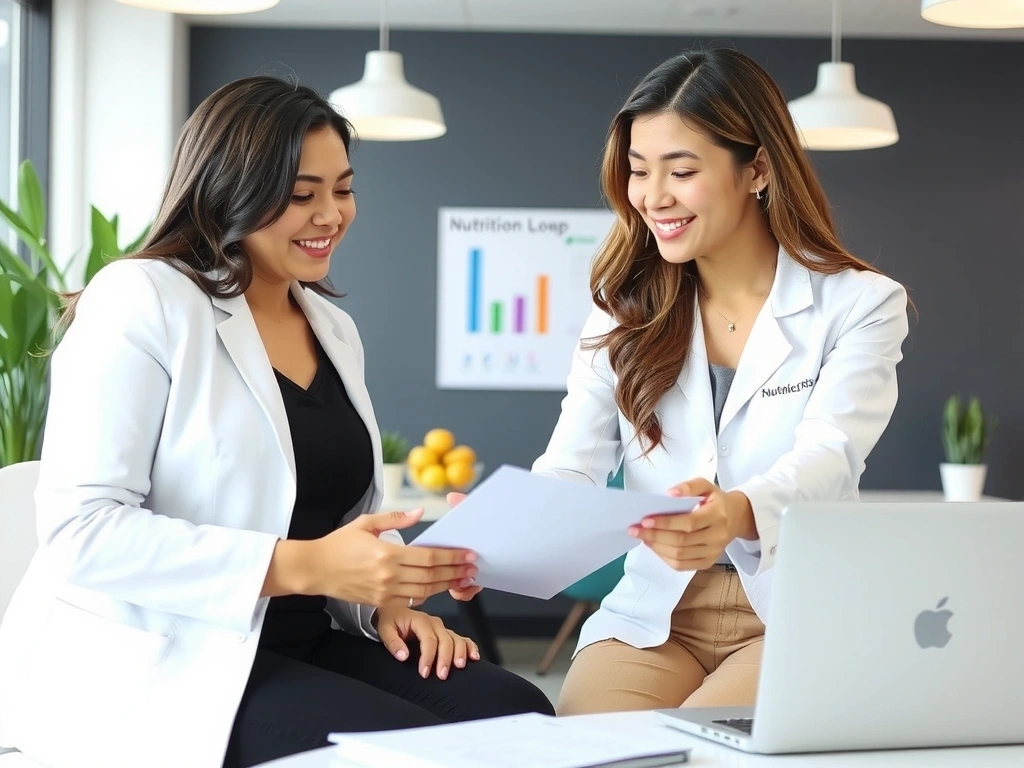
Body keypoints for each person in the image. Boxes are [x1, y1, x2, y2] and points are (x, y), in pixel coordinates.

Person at [0, 75, 553, 768]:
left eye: (343, 189)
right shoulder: (141, 299)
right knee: (413, 756)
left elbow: (330, 525)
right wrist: (311, 564)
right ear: (229, 189)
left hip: (299, 639)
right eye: (300, 195)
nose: (331, 215)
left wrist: (382, 601)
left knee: (522, 717)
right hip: (172, 653)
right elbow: (82, 533)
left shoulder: (333, 328)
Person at [452, 47, 909, 714]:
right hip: (655, 611)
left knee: (706, 745)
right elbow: (571, 469)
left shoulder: (860, 304)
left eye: (682, 170)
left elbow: (829, 456)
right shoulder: (622, 308)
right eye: (639, 172)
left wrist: (733, 513)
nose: (653, 197)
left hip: (790, 606)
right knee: (586, 744)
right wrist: (499, 532)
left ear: (757, 169)